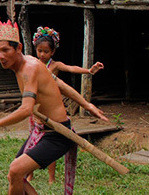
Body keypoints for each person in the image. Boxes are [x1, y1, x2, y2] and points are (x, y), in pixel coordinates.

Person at [0, 20, 109, 195]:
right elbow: (59, 83)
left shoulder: (29, 68)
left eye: (5, 50)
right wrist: (87, 104)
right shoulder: (28, 63)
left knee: (15, 171)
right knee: (15, 175)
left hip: (57, 134)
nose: (1, 56)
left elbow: (26, 109)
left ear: (18, 48)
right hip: (40, 131)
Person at [31, 26, 104, 184]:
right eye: (39, 51)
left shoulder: (55, 66)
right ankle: (28, 175)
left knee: (49, 144)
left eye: (46, 51)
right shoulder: (32, 64)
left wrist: (89, 71)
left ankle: (51, 178)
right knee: (32, 143)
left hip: (51, 111)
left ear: (53, 52)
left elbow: (71, 68)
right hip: (36, 111)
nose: (42, 54)